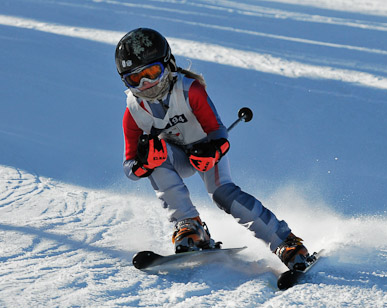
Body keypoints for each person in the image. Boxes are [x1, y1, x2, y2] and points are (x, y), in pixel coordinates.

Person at [115, 27, 309, 270]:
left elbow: (219, 133)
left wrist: (213, 151)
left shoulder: (189, 90)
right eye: (136, 78)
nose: (146, 84)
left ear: (168, 64)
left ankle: (285, 241)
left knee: (222, 193)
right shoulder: (134, 112)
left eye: (153, 72)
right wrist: (143, 164)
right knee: (155, 155)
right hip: (176, 158)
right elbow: (129, 167)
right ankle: (189, 224)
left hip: (204, 150)